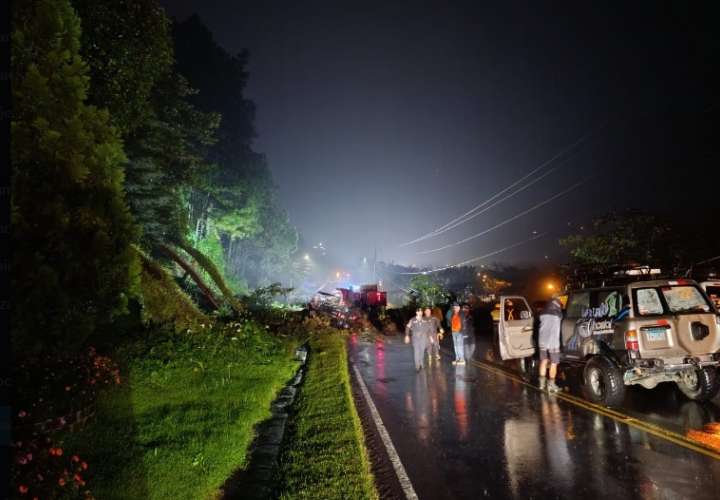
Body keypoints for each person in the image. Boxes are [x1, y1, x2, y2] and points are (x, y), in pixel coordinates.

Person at [538, 297, 563, 392]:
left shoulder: (542, 314)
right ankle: (551, 385)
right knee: (554, 363)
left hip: (542, 340)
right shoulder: (558, 314)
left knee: (543, 361)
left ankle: (541, 385)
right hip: (553, 341)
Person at [405, 308, 430, 372]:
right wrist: (407, 335)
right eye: (419, 312)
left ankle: (421, 362)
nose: (421, 313)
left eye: (421, 311)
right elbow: (408, 327)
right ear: (416, 312)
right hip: (415, 338)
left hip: (423, 338)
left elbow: (428, 328)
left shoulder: (424, 319)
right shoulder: (412, 320)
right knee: (416, 351)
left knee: (422, 351)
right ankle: (417, 366)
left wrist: (430, 337)